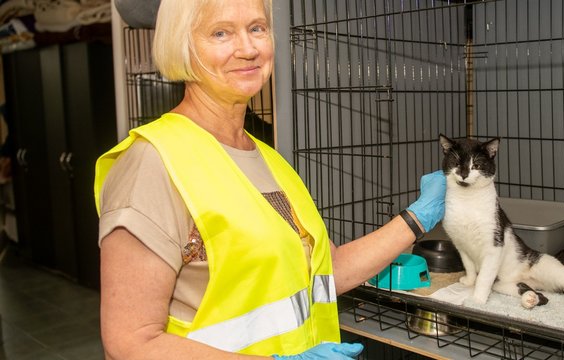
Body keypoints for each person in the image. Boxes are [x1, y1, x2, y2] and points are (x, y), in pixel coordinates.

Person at [94, 0, 446, 359]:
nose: (248, 49)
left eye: (257, 28)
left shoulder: (268, 160)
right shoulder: (152, 163)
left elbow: (326, 272)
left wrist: (418, 216)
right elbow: (131, 343)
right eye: (221, 33)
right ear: (182, 45)